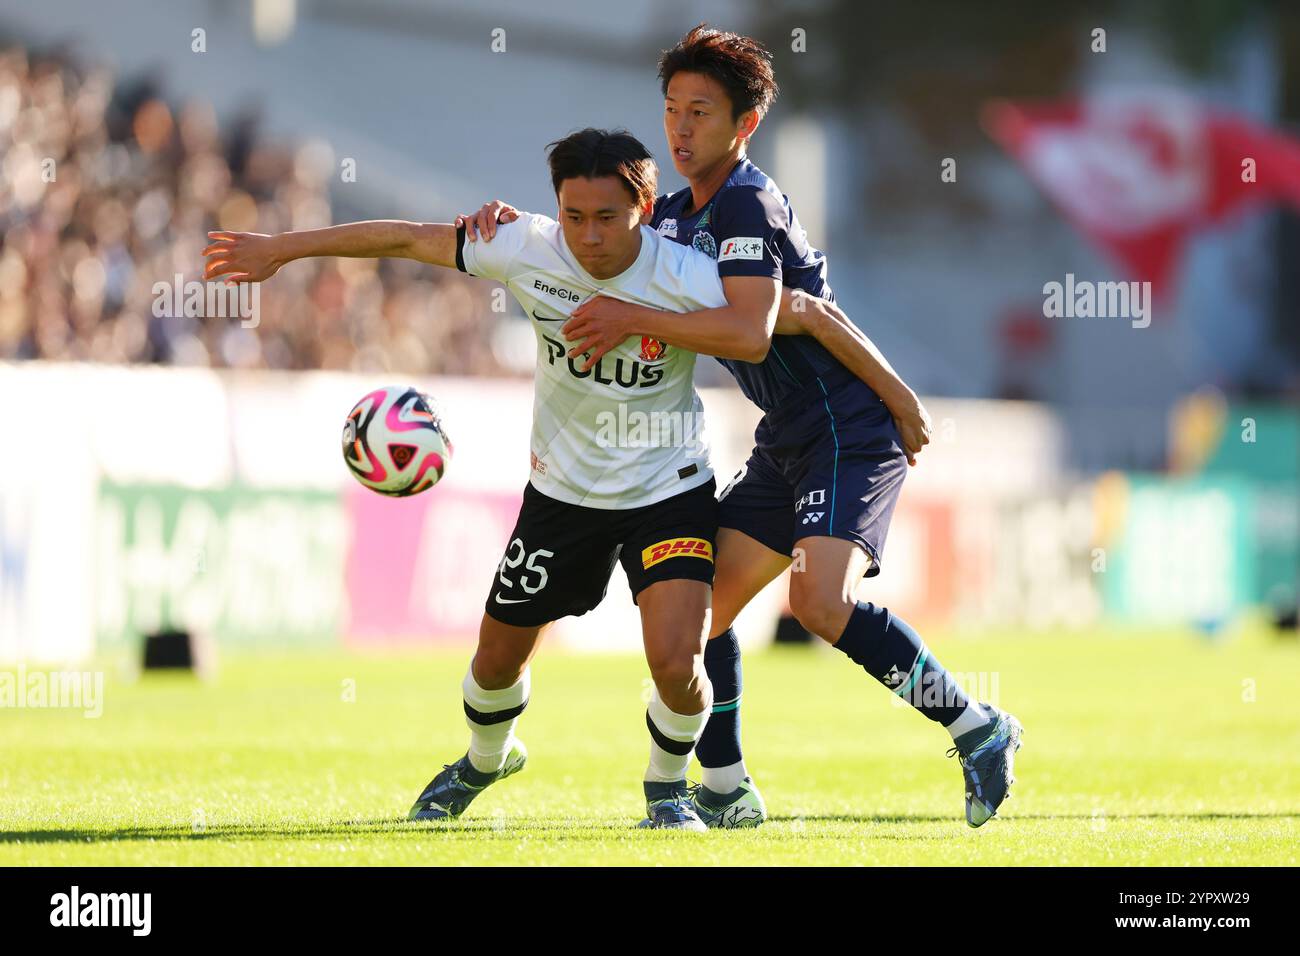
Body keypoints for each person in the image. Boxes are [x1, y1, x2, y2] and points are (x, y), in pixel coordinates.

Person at [202, 127, 897, 831]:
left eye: (607, 218)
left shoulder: (689, 275)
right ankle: (485, 757)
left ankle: (667, 790)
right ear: (555, 207)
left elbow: (796, 314)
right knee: (495, 661)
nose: (588, 237)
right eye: (573, 216)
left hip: (669, 489)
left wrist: (895, 402)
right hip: (562, 495)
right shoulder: (524, 246)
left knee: (678, 662)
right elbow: (408, 240)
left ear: (647, 207)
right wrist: (281, 249)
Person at [458, 26, 1022, 829]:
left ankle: (978, 726)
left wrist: (895, 400)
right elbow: (795, 306)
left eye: (701, 113)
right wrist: (519, 223)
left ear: (743, 125)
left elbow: (766, 327)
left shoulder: (748, 201)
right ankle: (725, 786)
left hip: (843, 428)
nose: (681, 130)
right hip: (785, 438)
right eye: (673, 111)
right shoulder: (679, 215)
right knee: (703, 621)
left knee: (820, 604)